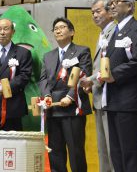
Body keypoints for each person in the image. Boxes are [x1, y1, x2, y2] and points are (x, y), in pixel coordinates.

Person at [102, 0, 137, 172]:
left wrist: (114, 74)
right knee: (116, 152)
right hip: (114, 99)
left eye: (116, 2)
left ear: (130, 6)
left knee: (131, 151)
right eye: (109, 3)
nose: (111, 6)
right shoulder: (113, 31)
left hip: (130, 101)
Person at [39, 17, 92, 172]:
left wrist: (70, 96)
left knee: (76, 151)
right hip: (53, 109)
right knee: (55, 152)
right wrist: (46, 95)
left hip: (73, 108)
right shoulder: (48, 56)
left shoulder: (82, 51)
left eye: (62, 27)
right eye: (55, 28)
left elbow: (84, 75)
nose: (58, 30)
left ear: (72, 32)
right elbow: (43, 79)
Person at [81, 0, 115, 172]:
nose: (94, 15)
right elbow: (100, 67)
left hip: (113, 98)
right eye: (92, 12)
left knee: (113, 150)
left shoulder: (116, 31)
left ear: (110, 12)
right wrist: (91, 83)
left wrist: (90, 80)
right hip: (100, 97)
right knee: (103, 149)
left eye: (98, 11)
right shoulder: (102, 34)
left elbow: (111, 66)